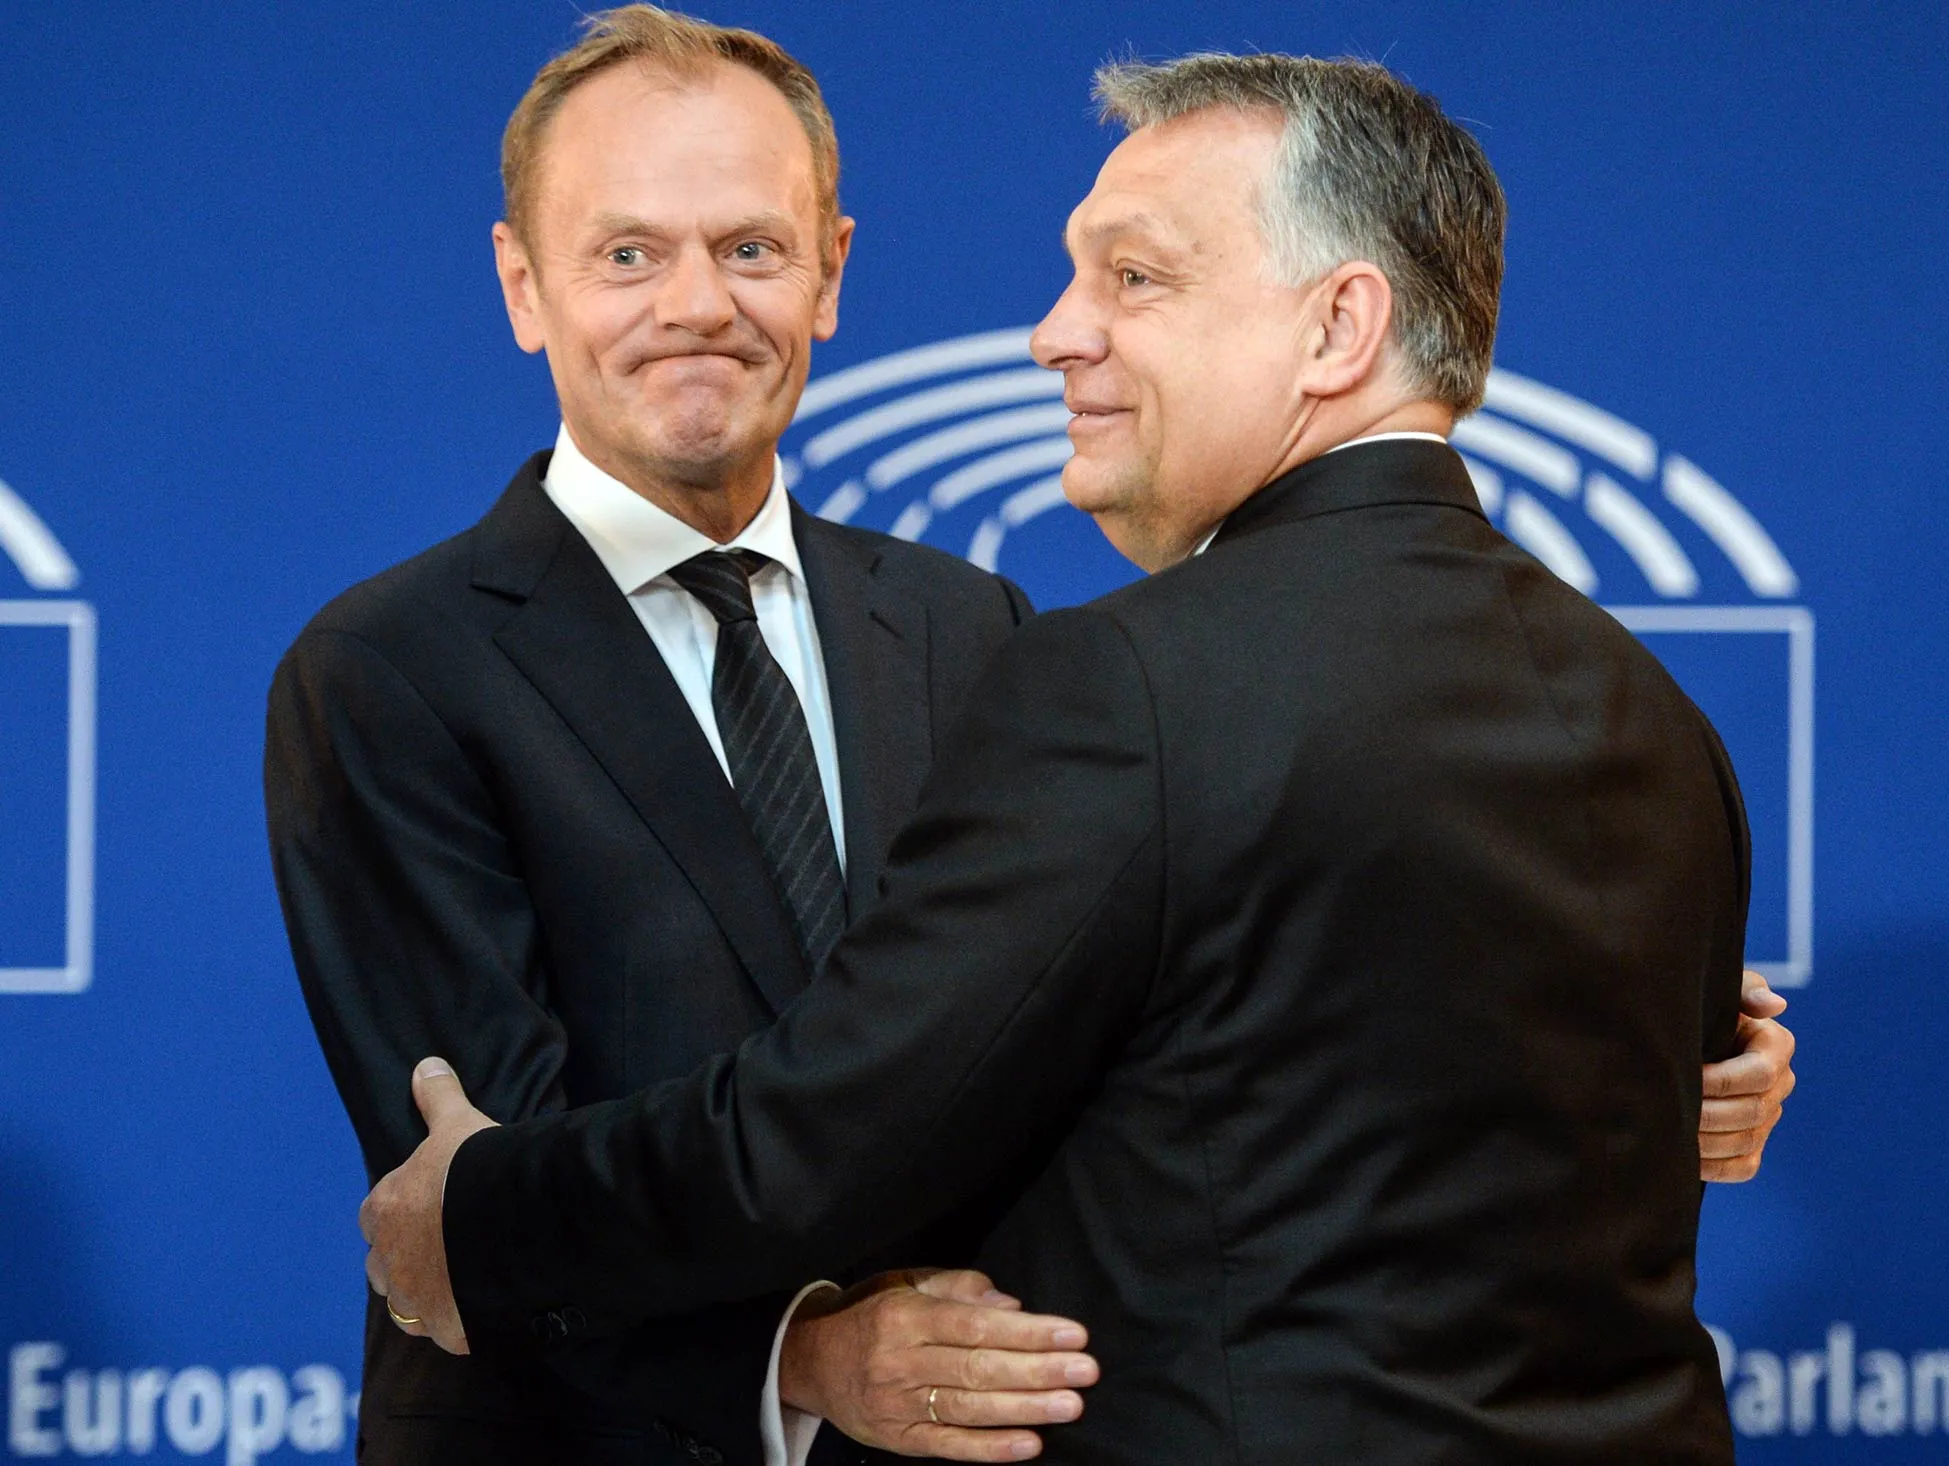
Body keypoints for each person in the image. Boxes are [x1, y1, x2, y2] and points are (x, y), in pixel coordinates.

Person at [361, 50, 1788, 1464]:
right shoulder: (1653, 713)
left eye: (1135, 278)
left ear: (1339, 327)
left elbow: (828, 1128)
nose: (1055, 332)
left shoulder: (1126, 682)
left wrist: (483, 1219)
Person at [265, 11, 1103, 1465]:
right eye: (628, 254)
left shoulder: (970, 627)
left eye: (751, 248)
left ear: (830, 270)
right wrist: (805, 1361)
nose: (698, 304)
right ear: (523, 285)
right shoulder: (387, 671)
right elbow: (477, 1195)